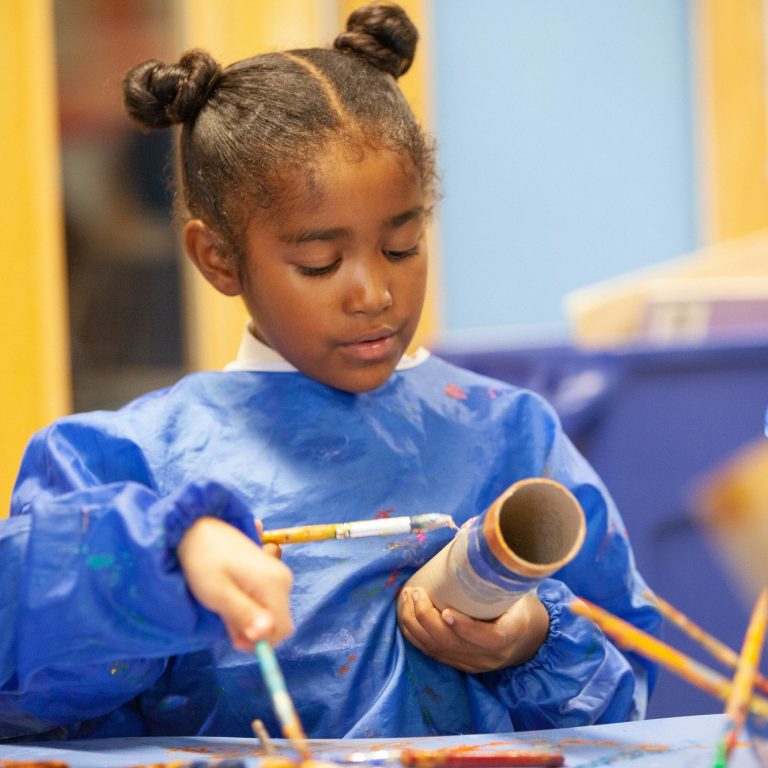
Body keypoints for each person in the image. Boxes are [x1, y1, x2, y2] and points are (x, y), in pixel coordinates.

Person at [1, 1, 661, 742]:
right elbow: (24, 688)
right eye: (319, 263)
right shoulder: (129, 464)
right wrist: (157, 564)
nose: (374, 293)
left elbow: (632, 703)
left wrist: (532, 640)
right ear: (218, 259)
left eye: (402, 246)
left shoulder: (511, 438)